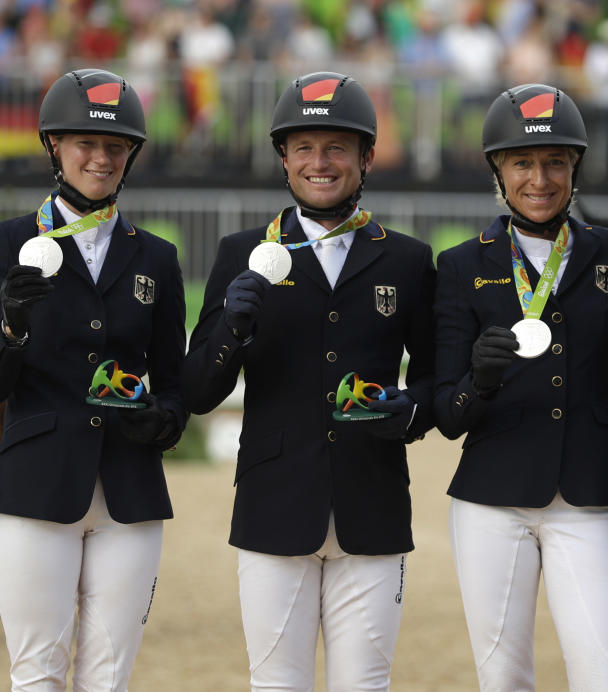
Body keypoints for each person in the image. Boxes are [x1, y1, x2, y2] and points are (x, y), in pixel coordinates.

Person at [181, 71, 435, 691]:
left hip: (371, 503)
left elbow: (434, 383)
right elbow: (196, 390)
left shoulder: (405, 258)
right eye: (303, 148)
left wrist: (408, 411)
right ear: (284, 159)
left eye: (336, 148)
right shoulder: (243, 251)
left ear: (366, 157)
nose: (319, 163)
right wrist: (231, 333)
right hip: (274, 502)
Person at [432, 83, 608, 691]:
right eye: (523, 162)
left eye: (555, 161)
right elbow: (446, 412)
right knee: (503, 678)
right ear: (498, 170)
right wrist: (478, 381)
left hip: (590, 494)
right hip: (491, 500)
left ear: (574, 168)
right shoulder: (461, 265)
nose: (540, 178)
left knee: (604, 675)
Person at [0, 68, 187, 691]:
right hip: (37, 482)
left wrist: (163, 420)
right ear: (55, 149)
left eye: (115, 147)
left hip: (130, 491)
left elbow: (171, 382)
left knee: (109, 676)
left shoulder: (157, 258)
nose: (100, 157)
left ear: (130, 157)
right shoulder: (9, 243)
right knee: (37, 672)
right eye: (85, 144)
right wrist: (10, 329)